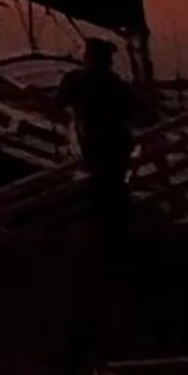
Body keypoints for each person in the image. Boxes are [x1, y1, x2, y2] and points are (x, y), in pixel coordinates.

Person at [56, 37, 138, 240]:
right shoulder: (116, 82)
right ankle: (119, 233)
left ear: (88, 57)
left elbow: (57, 105)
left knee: (102, 187)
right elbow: (134, 112)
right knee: (116, 187)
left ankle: (108, 234)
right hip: (119, 142)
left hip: (96, 143)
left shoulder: (76, 79)